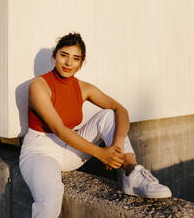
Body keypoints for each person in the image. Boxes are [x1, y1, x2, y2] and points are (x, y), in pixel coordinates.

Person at [19, 32, 172, 218]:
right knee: (49, 200)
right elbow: (59, 129)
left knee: (108, 115)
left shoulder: (83, 88)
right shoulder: (38, 86)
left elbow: (120, 110)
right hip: (40, 151)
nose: (68, 63)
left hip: (70, 149)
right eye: (64, 55)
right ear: (55, 56)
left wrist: (116, 145)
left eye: (75, 58)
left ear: (81, 62)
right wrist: (101, 154)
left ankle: (132, 174)